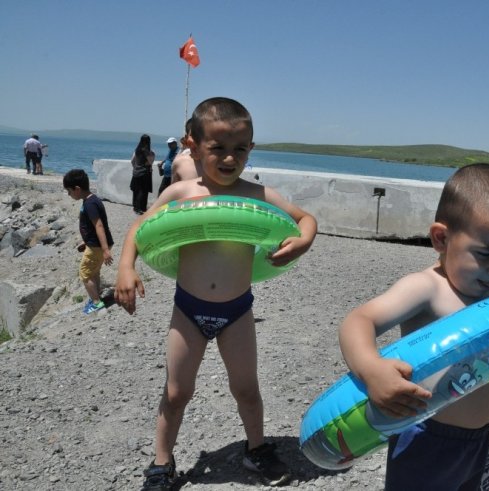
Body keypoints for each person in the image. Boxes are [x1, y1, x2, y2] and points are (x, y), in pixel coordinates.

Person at [115, 97, 317, 489]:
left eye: (240, 149)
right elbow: (140, 229)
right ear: (192, 145)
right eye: (218, 149)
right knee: (176, 392)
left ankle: (257, 449)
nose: (230, 159)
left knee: (246, 389)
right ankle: (162, 463)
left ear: (251, 149)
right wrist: (126, 267)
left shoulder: (258, 195)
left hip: (237, 312)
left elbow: (305, 218)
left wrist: (304, 240)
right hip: (188, 310)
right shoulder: (181, 193)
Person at [338, 163, 489, 491]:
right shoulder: (426, 288)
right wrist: (371, 370)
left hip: (477, 440)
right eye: (486, 253)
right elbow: (358, 321)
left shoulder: (485, 287)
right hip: (428, 440)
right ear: (441, 238)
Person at [63, 169, 115, 315]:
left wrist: (105, 250)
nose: (69, 194)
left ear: (77, 189)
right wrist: (86, 242)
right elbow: (93, 228)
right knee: (94, 271)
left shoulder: (90, 204)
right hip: (95, 244)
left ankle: (97, 303)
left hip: (98, 246)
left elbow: (98, 225)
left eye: (69, 191)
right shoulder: (92, 200)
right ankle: (96, 297)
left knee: (85, 273)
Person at [130, 134, 155, 214]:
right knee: (143, 191)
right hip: (144, 172)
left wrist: (135, 168)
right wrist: (153, 154)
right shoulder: (146, 150)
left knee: (136, 190)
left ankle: (135, 207)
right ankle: (141, 208)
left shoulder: (137, 150)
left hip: (136, 172)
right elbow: (150, 161)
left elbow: (132, 161)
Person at [171, 118, 201, 183]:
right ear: (186, 138)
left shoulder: (216, 164)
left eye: (201, 135)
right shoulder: (179, 162)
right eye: (193, 135)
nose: (197, 140)